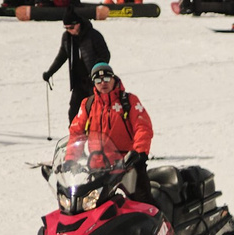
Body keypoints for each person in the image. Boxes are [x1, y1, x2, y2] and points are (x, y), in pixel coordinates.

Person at [67, 64, 154, 198]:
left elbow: (143, 127)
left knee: (143, 204)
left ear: (113, 79)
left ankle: (162, 219)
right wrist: (71, 159)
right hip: (98, 168)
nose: (103, 83)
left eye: (106, 78)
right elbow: (76, 133)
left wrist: (140, 152)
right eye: (98, 80)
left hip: (128, 166)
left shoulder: (129, 101)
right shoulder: (88, 104)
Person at [42, 10, 113, 122]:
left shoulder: (93, 35)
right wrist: (50, 72)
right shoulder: (67, 38)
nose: (69, 31)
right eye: (66, 28)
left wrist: (98, 70)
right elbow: (62, 56)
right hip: (78, 81)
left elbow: (105, 55)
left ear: (78, 24)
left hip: (94, 81)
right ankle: (75, 136)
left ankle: (97, 135)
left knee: (96, 109)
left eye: (71, 27)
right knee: (74, 111)